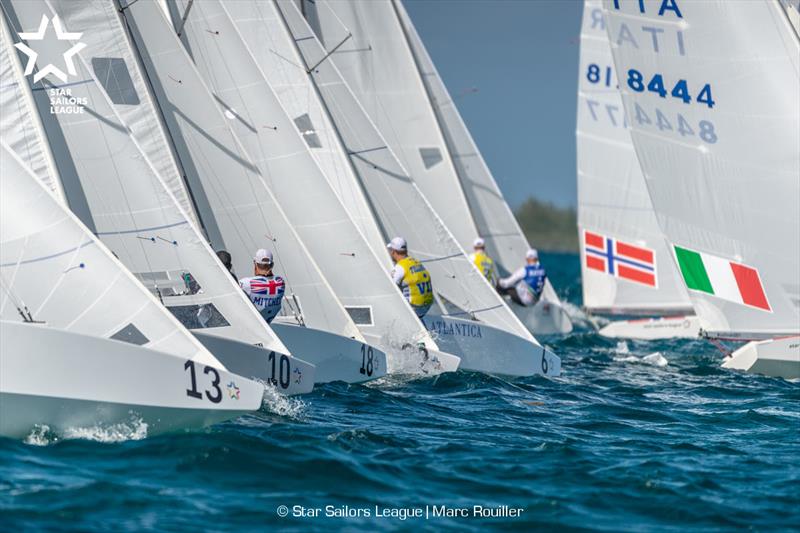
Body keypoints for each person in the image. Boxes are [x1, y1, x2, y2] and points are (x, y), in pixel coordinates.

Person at [387, 236, 434, 318]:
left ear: (393, 252)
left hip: (414, 308)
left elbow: (389, 288)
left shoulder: (400, 268)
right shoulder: (416, 262)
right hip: (427, 305)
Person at [238, 248, 285, 323]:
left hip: (252, 325)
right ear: (272, 265)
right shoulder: (280, 282)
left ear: (255, 263)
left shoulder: (247, 283)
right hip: (267, 323)